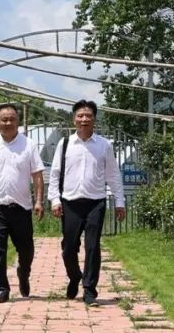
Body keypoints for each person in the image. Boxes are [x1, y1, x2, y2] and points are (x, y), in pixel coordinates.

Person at [48, 100, 126, 306]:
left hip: (95, 203)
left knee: (92, 247)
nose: (84, 119)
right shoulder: (65, 144)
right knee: (68, 248)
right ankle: (75, 276)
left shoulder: (104, 145)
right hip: (70, 203)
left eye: (88, 116)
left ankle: (90, 289)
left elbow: (113, 175)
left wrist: (120, 201)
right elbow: (55, 174)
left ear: (94, 119)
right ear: (74, 119)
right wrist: (55, 200)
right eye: (80, 116)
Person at [0, 104, 45, 303]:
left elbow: (37, 175)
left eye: (12, 119)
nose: (8, 123)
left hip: (21, 207)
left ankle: (23, 272)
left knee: (26, 249)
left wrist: (39, 201)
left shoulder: (28, 145)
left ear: (18, 121)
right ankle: (2, 289)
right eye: (4, 119)